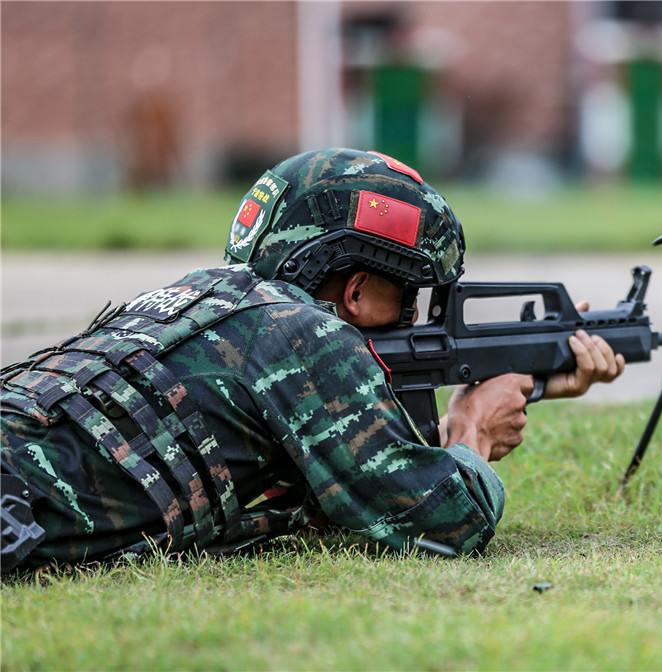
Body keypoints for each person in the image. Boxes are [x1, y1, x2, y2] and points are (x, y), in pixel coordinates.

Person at [0, 148, 625, 573]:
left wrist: (518, 385)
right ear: (355, 291)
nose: (412, 318)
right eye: (406, 297)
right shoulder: (308, 333)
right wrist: (473, 432)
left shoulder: (202, 297)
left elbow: (335, 465)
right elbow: (442, 525)